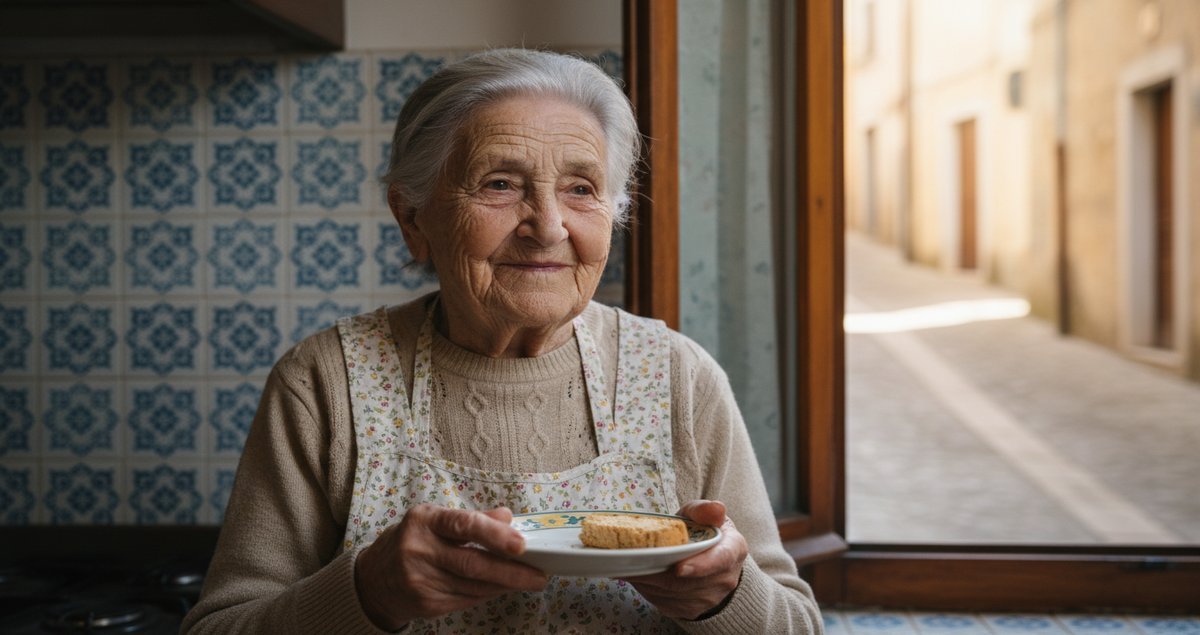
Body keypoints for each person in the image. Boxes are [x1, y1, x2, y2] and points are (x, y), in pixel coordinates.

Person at [182, 48, 823, 634]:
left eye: (581, 189)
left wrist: (723, 598)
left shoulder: (678, 377)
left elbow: (798, 625)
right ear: (413, 218)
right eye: (500, 184)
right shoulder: (326, 381)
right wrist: (367, 594)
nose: (548, 226)